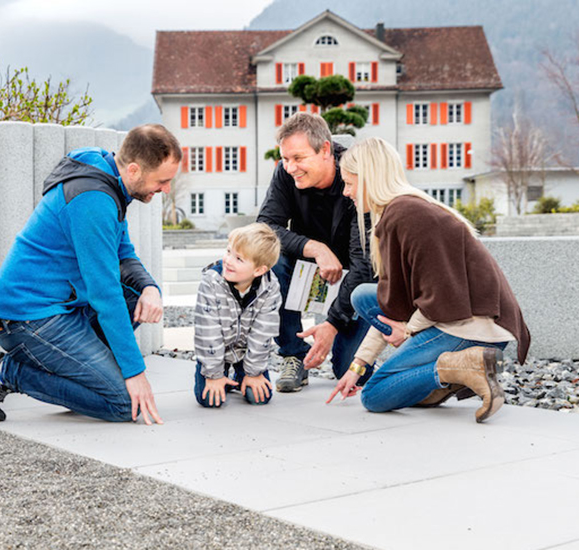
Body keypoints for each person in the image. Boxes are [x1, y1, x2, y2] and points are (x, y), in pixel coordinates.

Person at [0, 124, 181, 425]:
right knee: (121, 404)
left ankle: (87, 380)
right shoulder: (93, 200)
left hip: (63, 307)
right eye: (162, 181)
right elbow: (105, 293)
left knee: (137, 296)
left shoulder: (109, 179)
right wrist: (135, 373)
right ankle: (5, 372)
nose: (166, 190)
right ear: (134, 170)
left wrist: (150, 287)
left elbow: (123, 254)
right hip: (27, 319)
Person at [329, 137, 530, 423]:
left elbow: (444, 294)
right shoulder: (401, 211)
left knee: (374, 395)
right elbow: (392, 304)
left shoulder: (408, 215)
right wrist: (358, 366)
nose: (346, 193)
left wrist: (408, 332)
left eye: (349, 183)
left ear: (369, 178)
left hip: (474, 328)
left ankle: (461, 368)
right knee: (362, 295)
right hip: (457, 318)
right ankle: (446, 379)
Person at [257, 112, 374, 393]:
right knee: (270, 256)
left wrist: (332, 324)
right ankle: (292, 354)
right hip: (305, 269)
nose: (290, 167)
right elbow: (265, 228)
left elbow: (364, 265)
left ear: (325, 150)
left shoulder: (356, 177)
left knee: (349, 370)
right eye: (285, 159)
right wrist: (315, 248)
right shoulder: (285, 173)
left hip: (354, 279)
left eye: (298, 158)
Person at [193, 223, 282, 408]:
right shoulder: (211, 282)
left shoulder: (270, 288)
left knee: (259, 398)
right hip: (216, 351)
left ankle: (240, 375)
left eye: (239, 259)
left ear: (259, 270)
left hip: (245, 352)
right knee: (209, 399)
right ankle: (223, 375)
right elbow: (207, 332)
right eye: (228, 252)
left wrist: (254, 372)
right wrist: (214, 375)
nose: (228, 260)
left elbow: (264, 332)